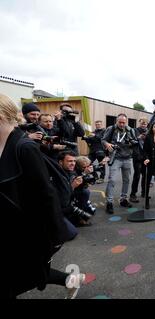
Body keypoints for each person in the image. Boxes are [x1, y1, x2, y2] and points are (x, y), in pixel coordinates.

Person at [0, 94, 85, 299]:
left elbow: (46, 195)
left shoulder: (25, 147)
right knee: (28, 275)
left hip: (26, 234)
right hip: (9, 233)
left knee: (22, 278)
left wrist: (54, 238)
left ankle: (70, 280)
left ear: (1, 116)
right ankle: (71, 280)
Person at [102, 114, 138, 214]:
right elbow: (103, 140)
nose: (122, 124)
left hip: (127, 158)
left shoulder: (130, 130)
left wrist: (132, 142)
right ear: (116, 121)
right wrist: (107, 144)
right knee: (112, 180)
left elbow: (135, 142)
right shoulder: (111, 128)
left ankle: (123, 199)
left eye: (124, 122)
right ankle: (109, 202)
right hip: (116, 158)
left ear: (126, 122)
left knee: (126, 180)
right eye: (120, 122)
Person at [130, 117, 148, 202]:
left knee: (145, 175)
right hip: (137, 156)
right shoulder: (134, 130)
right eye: (142, 123)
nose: (143, 125)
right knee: (137, 176)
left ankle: (144, 192)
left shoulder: (148, 131)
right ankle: (133, 194)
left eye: (145, 123)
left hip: (146, 157)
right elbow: (130, 141)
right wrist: (138, 138)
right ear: (139, 123)